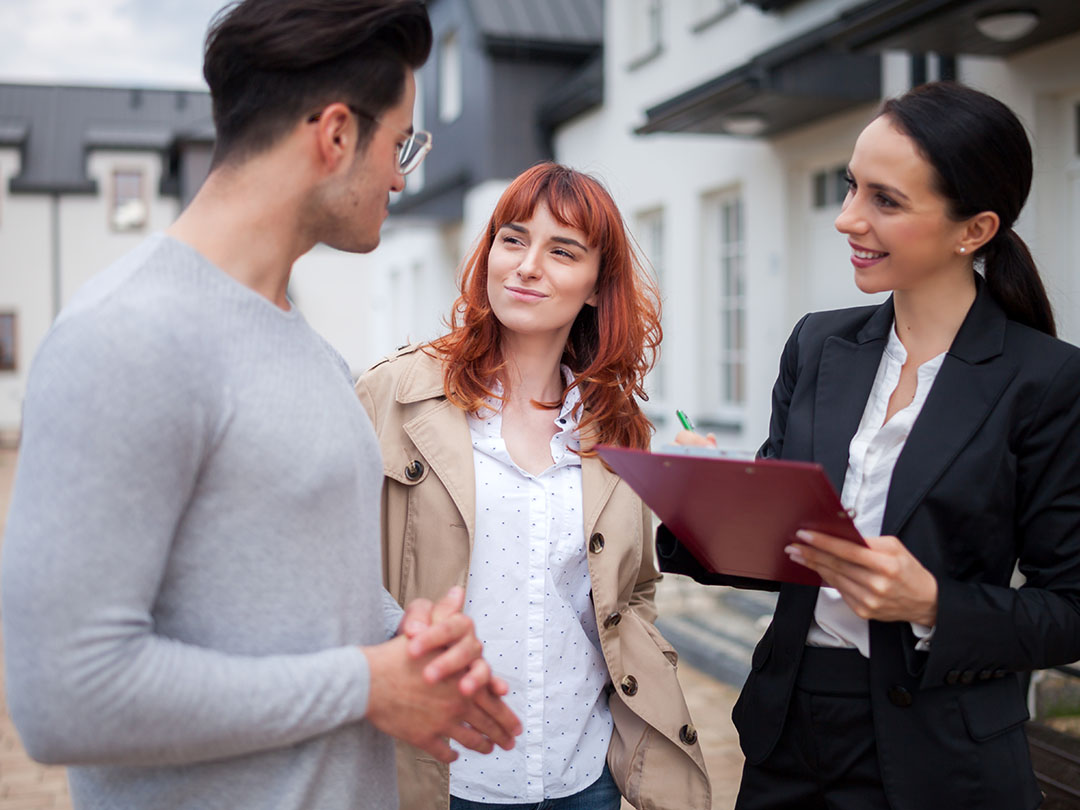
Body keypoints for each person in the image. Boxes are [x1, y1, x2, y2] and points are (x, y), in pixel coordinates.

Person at [0, 2, 520, 809]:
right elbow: (65, 695)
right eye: (401, 144)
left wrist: (405, 643)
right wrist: (366, 684)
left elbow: (307, 604)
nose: (402, 176)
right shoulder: (125, 336)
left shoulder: (312, 352)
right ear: (336, 134)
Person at [659, 80, 1080, 810]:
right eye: (853, 187)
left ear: (973, 230)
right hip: (790, 731)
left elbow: (1069, 611)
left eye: (885, 201)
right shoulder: (819, 345)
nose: (847, 218)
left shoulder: (1046, 382)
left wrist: (931, 604)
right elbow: (781, 547)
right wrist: (702, 498)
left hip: (945, 757)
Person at [356, 163, 711, 810]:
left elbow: (632, 595)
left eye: (562, 250)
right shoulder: (392, 397)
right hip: (440, 775)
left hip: (581, 774)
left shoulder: (619, 428)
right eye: (512, 239)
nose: (525, 266)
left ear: (599, 288)